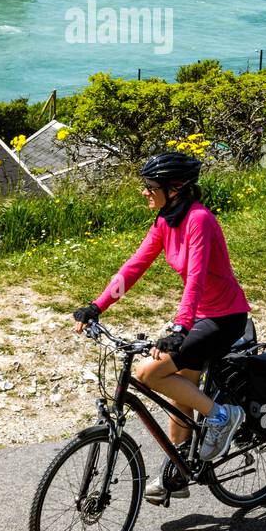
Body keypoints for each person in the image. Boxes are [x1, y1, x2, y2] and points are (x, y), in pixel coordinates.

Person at [73, 151, 247, 504]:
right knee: (180, 387)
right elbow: (134, 267)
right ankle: (179, 473)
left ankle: (223, 417)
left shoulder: (199, 220)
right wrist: (98, 305)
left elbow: (195, 279)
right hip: (198, 317)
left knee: (150, 373)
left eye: (150, 186)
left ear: (175, 188)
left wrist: (180, 328)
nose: (144, 192)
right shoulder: (166, 222)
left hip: (223, 318)